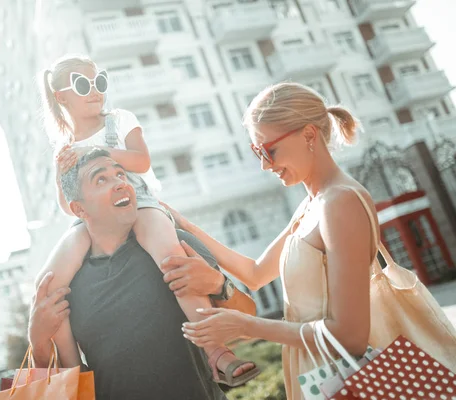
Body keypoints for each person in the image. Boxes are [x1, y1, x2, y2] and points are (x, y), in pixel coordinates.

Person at [35, 53, 258, 385]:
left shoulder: (119, 120)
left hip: (139, 200)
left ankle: (215, 350)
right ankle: (76, 378)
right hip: (89, 218)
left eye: (100, 81)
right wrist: (61, 176)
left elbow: (140, 161)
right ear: (61, 96)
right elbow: (69, 205)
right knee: (50, 284)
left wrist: (97, 156)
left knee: (172, 258)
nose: (96, 91)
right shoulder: (63, 147)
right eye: (83, 85)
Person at [160, 82, 381, 400]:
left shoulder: (339, 203)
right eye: (256, 152)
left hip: (348, 377)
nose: (264, 164)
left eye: (268, 150)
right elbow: (255, 272)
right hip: (325, 374)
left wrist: (247, 326)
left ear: (308, 135)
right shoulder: (312, 205)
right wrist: (185, 226)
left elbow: (351, 338)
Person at [28, 149, 258, 399]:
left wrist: (219, 285)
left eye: (120, 174)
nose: (119, 183)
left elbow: (250, 324)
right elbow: (70, 389)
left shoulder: (176, 245)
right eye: (101, 179)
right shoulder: (69, 286)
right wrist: (37, 341)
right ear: (79, 209)